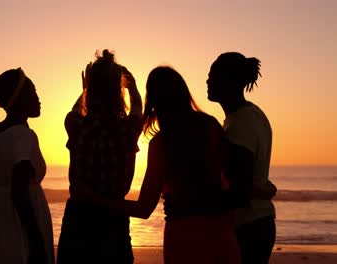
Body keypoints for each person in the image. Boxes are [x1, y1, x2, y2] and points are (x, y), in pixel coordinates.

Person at [78, 66, 241, 264]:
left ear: (154, 100)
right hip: (222, 231)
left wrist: (94, 198)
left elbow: (143, 209)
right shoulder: (211, 125)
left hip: (184, 235)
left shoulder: (162, 143)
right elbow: (234, 176)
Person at [57, 50, 143, 264]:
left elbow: (76, 109)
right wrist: (132, 88)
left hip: (78, 221)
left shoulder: (76, 125)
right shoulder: (128, 130)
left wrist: (85, 89)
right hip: (114, 220)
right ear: (117, 92)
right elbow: (138, 109)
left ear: (91, 91)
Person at [207, 52, 276, 264]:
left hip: (248, 227)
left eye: (214, 76)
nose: (208, 81)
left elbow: (239, 189)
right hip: (257, 223)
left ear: (232, 81)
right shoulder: (248, 115)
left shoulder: (241, 123)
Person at [0, 68, 54, 264]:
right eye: (33, 91)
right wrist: (35, 241)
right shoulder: (24, 135)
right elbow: (19, 189)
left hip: (2, 221)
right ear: (20, 98)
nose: (38, 97)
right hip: (22, 226)